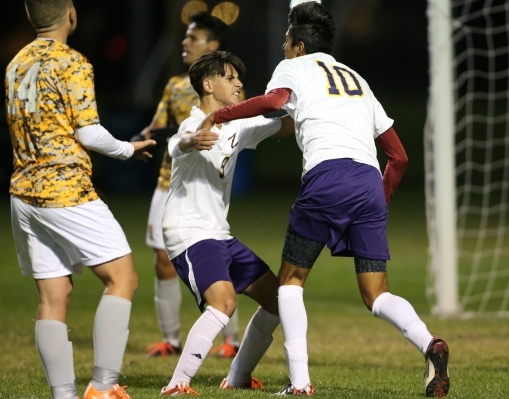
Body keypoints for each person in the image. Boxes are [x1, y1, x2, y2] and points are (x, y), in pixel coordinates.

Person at [197, 2, 451, 397]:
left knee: (290, 283)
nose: (283, 47)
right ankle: (429, 343)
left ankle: (300, 384)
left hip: (327, 176)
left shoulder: (294, 67)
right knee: (376, 293)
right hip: (368, 181)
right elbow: (398, 157)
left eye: (285, 41)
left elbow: (275, 100)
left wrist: (224, 114)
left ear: (298, 45)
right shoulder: (358, 79)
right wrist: (378, 201)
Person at [5, 1, 156, 398]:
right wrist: (128, 149)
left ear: (30, 16)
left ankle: (64, 394)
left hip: (23, 192)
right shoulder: (72, 62)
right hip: (64, 188)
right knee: (122, 278)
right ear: (70, 13)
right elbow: (88, 134)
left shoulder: (15, 63)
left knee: (53, 296)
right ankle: (103, 387)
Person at [158, 51, 295, 396]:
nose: (239, 83)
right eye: (230, 77)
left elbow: (287, 125)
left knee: (282, 301)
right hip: (188, 232)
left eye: (238, 78)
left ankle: (237, 376)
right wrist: (190, 140)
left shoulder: (237, 124)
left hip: (219, 234)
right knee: (224, 302)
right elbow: (178, 143)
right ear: (208, 84)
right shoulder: (195, 123)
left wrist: (312, 105)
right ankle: (177, 384)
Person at [137, 11, 241, 358]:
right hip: (169, 182)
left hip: (204, 187)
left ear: (212, 45)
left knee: (219, 260)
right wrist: (142, 139)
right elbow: (157, 125)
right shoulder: (174, 85)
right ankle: (171, 338)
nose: (184, 43)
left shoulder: (229, 89)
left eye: (192, 38)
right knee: (162, 261)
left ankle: (232, 339)